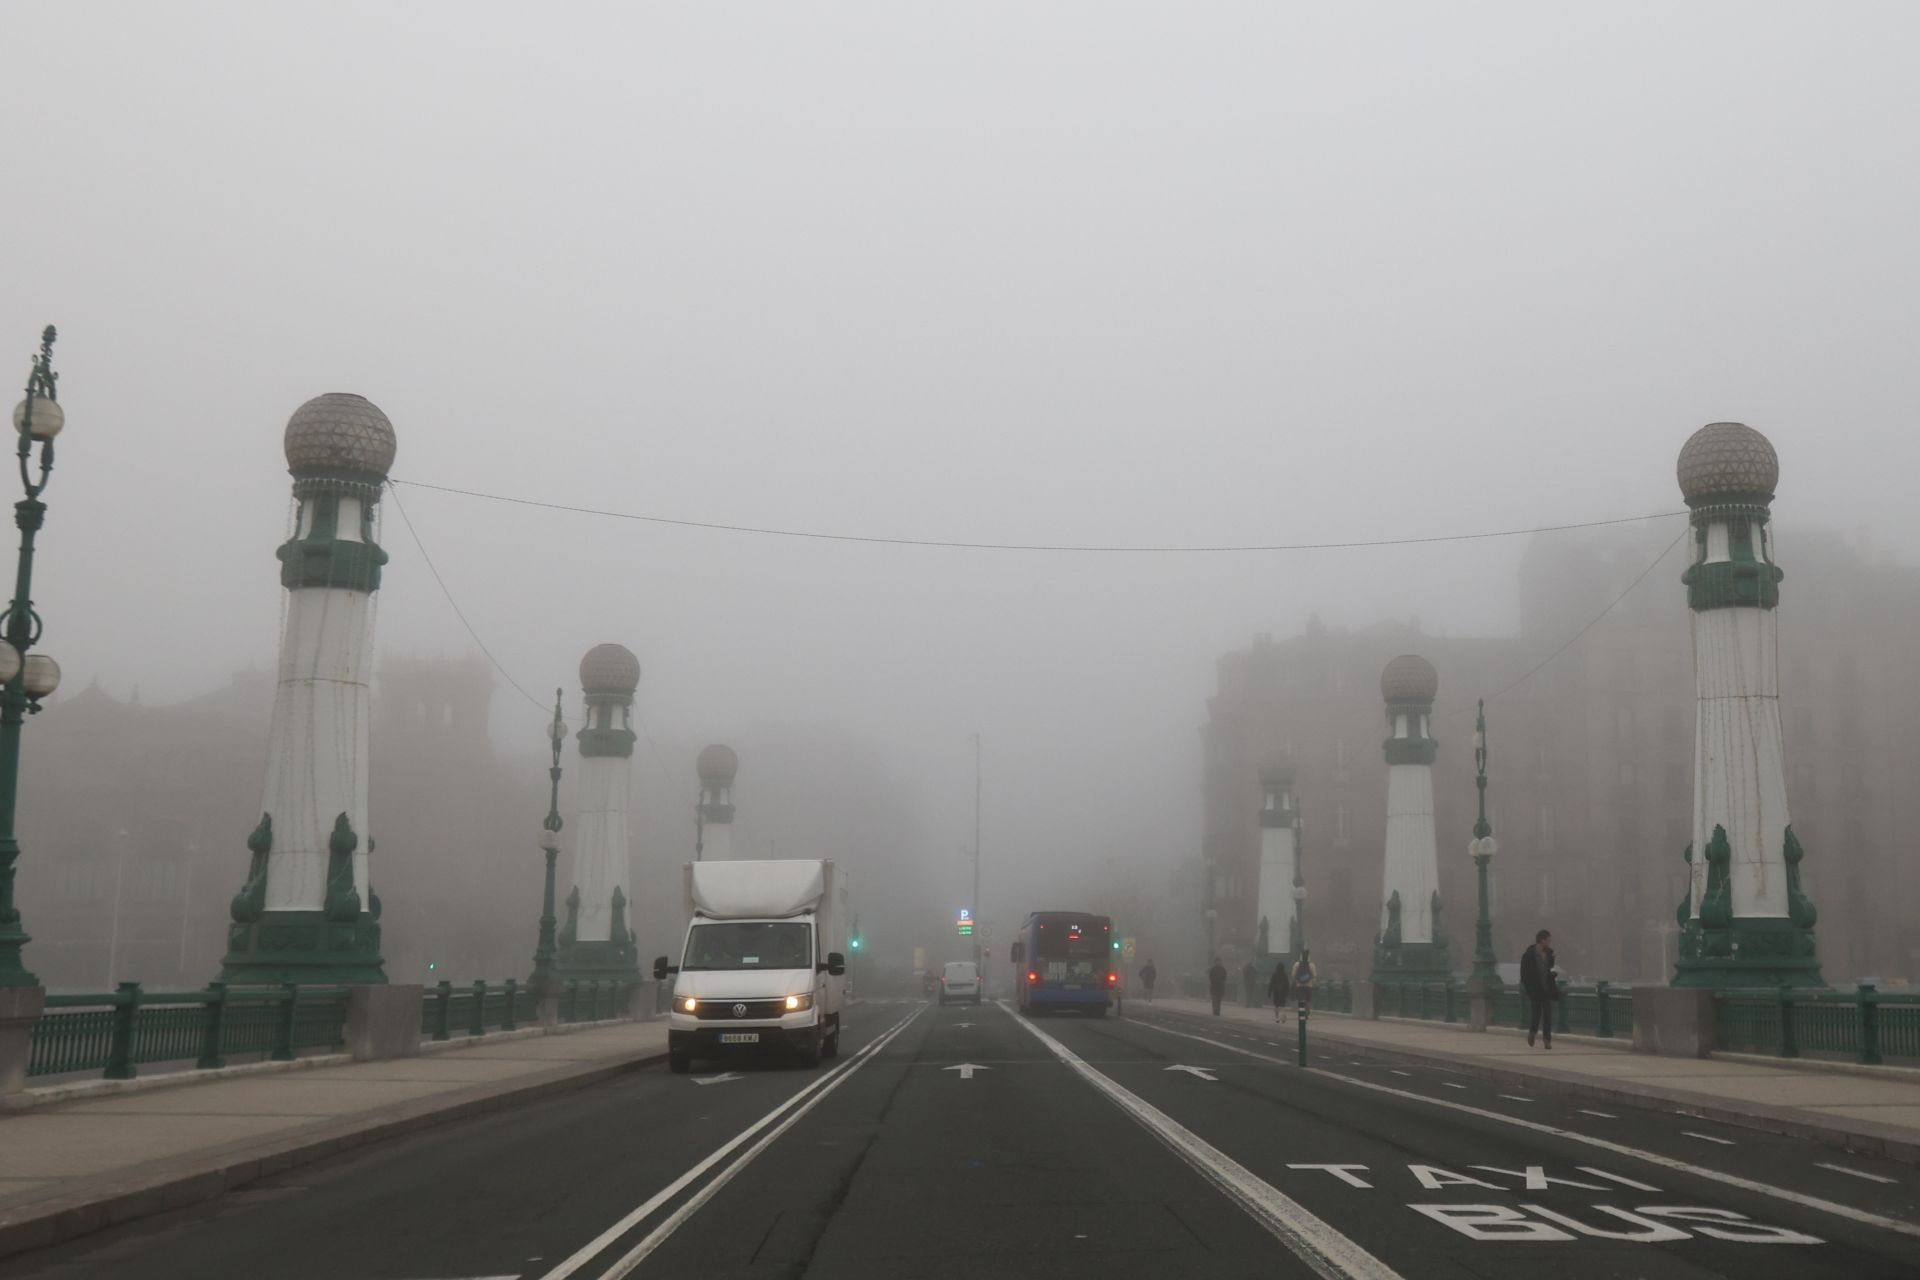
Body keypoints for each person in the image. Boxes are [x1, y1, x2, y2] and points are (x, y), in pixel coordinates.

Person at [1520, 929, 1559, 1048]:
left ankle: (1547, 1040)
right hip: (1535, 990)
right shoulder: (1529, 955)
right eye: (1548, 940)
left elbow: (1550, 969)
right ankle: (1532, 1033)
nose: (1549, 942)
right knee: (1536, 1014)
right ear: (1542, 940)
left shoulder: (1549, 954)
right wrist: (1529, 989)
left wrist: (1553, 974)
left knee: (1547, 1015)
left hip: (1547, 988)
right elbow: (1524, 974)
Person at [1290, 949, 1318, 1014]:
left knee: (1301, 1000)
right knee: (1308, 1000)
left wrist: (1297, 981)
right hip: (1309, 986)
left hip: (1299, 985)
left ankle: (1302, 1014)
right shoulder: (1311, 965)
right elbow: (1314, 975)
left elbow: (1293, 974)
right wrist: (1311, 981)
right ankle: (1307, 1011)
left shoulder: (1297, 964)